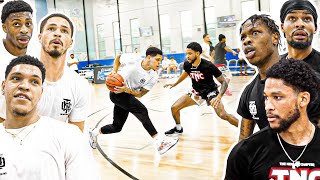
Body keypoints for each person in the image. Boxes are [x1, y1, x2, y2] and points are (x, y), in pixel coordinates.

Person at [0, 55, 99, 180]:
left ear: (41, 92)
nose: (24, 86)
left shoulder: (69, 136)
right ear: (3, 86)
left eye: (34, 82)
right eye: (16, 78)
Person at [225, 59, 320, 180]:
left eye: (277, 97)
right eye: (266, 98)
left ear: (303, 99)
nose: (268, 106)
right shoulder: (246, 152)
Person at [89, 47, 179, 155]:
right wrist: (114, 71)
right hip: (116, 93)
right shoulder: (133, 59)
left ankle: (94, 132)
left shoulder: (153, 76)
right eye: (158, 60)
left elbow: (140, 94)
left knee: (116, 127)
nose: (159, 63)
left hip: (127, 94)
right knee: (142, 110)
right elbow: (118, 58)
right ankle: (159, 142)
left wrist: (126, 89)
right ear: (149, 57)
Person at [163, 42, 238, 136]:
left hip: (210, 92)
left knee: (223, 115)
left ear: (197, 53)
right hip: (197, 92)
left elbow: (224, 82)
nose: (187, 56)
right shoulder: (187, 64)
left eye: (190, 53)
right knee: (174, 108)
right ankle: (178, 129)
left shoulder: (208, 65)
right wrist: (175, 83)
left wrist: (218, 97)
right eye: (186, 54)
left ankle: (244, 128)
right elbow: (186, 73)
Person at [37, 13, 90, 132]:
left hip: (56, 148)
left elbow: (75, 134)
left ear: (71, 42)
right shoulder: (19, 76)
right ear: (40, 37)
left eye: (64, 31)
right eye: (51, 29)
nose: (57, 33)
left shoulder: (80, 85)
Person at [236, 14, 281, 141]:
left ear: (275, 37)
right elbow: (243, 142)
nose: (246, 41)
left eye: (255, 33)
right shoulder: (249, 93)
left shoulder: (301, 77)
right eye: (243, 38)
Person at [280, 0, 320, 125]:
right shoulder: (273, 66)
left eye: (307, 19)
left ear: (315, 28)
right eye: (292, 18)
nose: (300, 24)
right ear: (282, 27)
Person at [0, 0, 34, 121]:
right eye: (16, 24)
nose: (24, 30)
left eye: (28, 24)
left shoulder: (39, 55)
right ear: (4, 27)